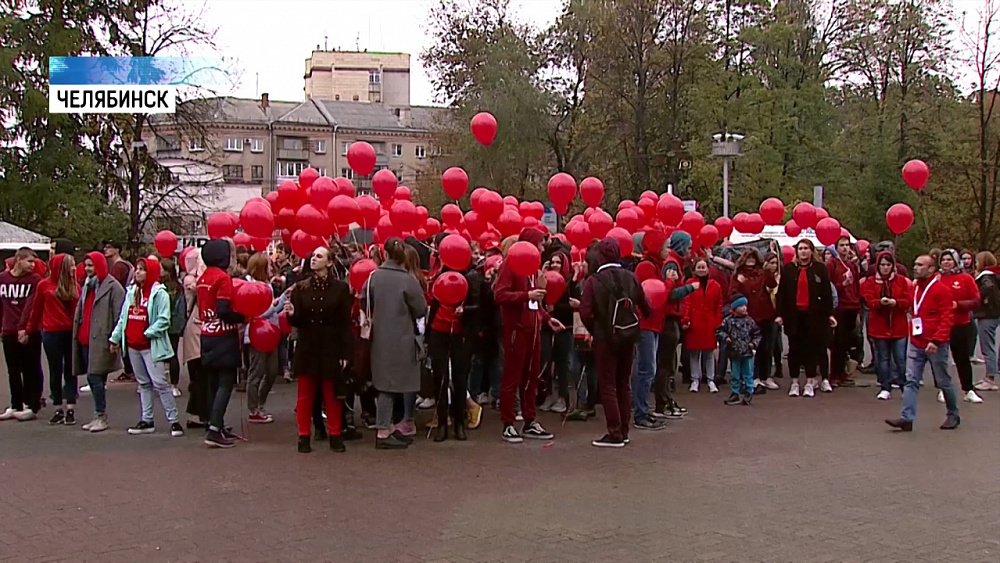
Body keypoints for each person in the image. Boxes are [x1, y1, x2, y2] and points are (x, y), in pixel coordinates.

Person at [493, 228, 564, 443]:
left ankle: (530, 420)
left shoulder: (533, 268)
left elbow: (534, 303)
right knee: (512, 377)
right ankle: (508, 422)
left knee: (532, 377)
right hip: (516, 331)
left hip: (533, 330)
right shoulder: (511, 264)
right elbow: (500, 294)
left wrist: (545, 318)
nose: (544, 249)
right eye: (541, 244)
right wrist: (526, 295)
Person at [579, 238, 650, 448]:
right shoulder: (631, 277)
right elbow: (646, 307)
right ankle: (624, 430)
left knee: (608, 384)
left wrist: (596, 330)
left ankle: (614, 432)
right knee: (623, 383)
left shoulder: (594, 280)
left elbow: (585, 312)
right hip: (628, 336)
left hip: (605, 338)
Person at [285, 246, 354, 453]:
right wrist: (291, 314)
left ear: (330, 262)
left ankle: (335, 434)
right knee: (305, 394)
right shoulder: (301, 289)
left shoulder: (340, 289)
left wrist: (345, 353)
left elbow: (345, 324)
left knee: (331, 394)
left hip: (331, 346)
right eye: (313, 255)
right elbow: (297, 321)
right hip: (308, 346)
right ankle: (303, 436)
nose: (314, 259)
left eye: (319, 256)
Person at [362, 238, 427, 450]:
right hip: (402, 337)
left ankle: (387, 427)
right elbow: (420, 308)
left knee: (384, 382)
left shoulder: (372, 277)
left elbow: (364, 301)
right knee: (391, 385)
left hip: (378, 337)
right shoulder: (408, 280)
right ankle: (383, 430)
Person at [109, 258, 183, 437]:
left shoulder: (160, 293)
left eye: (142, 269)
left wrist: (147, 333)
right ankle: (147, 419)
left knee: (160, 383)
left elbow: (164, 319)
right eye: (137, 269)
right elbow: (123, 318)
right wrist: (115, 338)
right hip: (133, 345)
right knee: (143, 383)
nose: (138, 272)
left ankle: (174, 421)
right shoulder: (131, 292)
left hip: (151, 345)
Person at [886, 255, 960, 431]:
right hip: (917, 341)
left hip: (935, 343)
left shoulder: (941, 290)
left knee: (943, 381)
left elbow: (947, 318)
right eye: (915, 264)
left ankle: (953, 414)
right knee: (911, 380)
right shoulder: (915, 288)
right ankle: (907, 418)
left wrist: (937, 339)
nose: (916, 268)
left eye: (920, 265)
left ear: (931, 269)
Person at [426, 259, 483, 442]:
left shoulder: (470, 281)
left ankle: (459, 422)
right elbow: (432, 309)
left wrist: (464, 309)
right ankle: (443, 422)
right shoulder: (439, 281)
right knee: (440, 379)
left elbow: (480, 306)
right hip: (438, 332)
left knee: (460, 379)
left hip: (460, 335)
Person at [197, 239, 245, 448]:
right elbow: (224, 310)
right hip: (224, 336)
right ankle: (215, 429)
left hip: (206, 333)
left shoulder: (203, 278)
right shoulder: (223, 278)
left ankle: (215, 423)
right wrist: (243, 317)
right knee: (226, 383)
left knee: (213, 383)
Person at [72, 252, 126, 432]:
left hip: (101, 339)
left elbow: (119, 315)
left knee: (94, 376)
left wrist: (115, 338)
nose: (87, 269)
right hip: (85, 337)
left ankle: (101, 416)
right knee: (94, 377)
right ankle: (98, 415)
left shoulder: (114, 287)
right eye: (86, 265)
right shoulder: (87, 285)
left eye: (91, 265)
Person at [775, 239, 836, 398]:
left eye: (806, 249)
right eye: (800, 249)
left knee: (811, 349)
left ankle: (810, 382)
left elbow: (827, 293)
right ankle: (795, 383)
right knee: (794, 349)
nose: (803, 252)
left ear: (811, 251)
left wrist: (829, 314)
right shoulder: (789, 269)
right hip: (793, 316)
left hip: (814, 316)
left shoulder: (820, 269)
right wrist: (780, 315)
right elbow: (781, 294)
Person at [27, 253, 80, 425]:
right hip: (51, 332)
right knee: (55, 370)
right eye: (71, 265)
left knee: (71, 370)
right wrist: (29, 329)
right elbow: (36, 309)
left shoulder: (75, 285)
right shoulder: (44, 285)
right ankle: (58, 406)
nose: (74, 268)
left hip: (70, 332)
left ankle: (70, 407)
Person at [860, 252, 912, 400]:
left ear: (893, 266)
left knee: (900, 359)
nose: (885, 268)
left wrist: (896, 303)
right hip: (879, 326)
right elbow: (868, 300)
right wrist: (879, 302)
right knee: (882, 359)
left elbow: (908, 299)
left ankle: (903, 386)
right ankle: (885, 386)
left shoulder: (901, 281)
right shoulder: (870, 281)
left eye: (888, 265)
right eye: (882, 265)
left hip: (899, 326)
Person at [0, 248, 43, 422]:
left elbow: (31, 306)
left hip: (28, 330)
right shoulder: (3, 279)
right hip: (8, 329)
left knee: (31, 368)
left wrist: (24, 328)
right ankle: (15, 404)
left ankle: (31, 404)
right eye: (29, 261)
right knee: (13, 369)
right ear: (18, 260)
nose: (33, 265)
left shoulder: (35, 280)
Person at [937, 249, 984, 404]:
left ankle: (968, 389)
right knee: (941, 359)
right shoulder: (936, 278)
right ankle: (943, 388)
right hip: (940, 324)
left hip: (960, 324)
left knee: (962, 358)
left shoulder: (965, 279)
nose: (946, 262)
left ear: (956, 261)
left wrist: (958, 305)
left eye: (949, 260)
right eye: (943, 260)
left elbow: (976, 300)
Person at [730, 248, 779, 390]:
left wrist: (768, 271)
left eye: (753, 257)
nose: (751, 260)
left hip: (766, 314)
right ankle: (752, 376)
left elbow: (772, 285)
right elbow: (732, 293)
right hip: (748, 316)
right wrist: (740, 283)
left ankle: (765, 376)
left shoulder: (762, 272)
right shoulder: (738, 275)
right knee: (751, 348)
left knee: (767, 347)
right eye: (748, 257)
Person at [244, 253, 284, 424]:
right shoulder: (250, 285)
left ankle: (260, 402)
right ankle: (253, 409)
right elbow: (257, 313)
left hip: (272, 332)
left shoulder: (267, 284)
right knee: (257, 371)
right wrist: (277, 304)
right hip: (257, 334)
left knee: (272, 370)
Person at [538, 249, 576, 415]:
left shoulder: (569, 282)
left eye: (558, 262)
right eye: (552, 262)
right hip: (546, 327)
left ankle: (562, 397)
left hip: (564, 328)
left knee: (561, 364)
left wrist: (556, 307)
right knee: (546, 361)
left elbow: (572, 305)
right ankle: (548, 395)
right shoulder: (544, 280)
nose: (555, 265)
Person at [681, 258, 722, 393]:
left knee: (709, 353)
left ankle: (710, 380)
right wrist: (686, 319)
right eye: (699, 267)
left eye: (703, 267)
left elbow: (719, 305)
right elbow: (686, 302)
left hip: (709, 321)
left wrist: (717, 322)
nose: (701, 269)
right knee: (694, 353)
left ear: (708, 269)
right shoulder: (689, 283)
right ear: (694, 269)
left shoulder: (715, 285)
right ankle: (695, 380)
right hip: (695, 321)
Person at [826, 237, 862, 389]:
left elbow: (856, 286)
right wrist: (842, 285)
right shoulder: (831, 264)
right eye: (842, 246)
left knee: (848, 342)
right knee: (838, 343)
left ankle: (843, 373)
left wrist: (858, 306)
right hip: (840, 306)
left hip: (852, 306)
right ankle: (834, 374)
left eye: (847, 245)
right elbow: (829, 287)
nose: (845, 248)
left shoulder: (851, 265)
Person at [716, 294, 761, 405]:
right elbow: (719, 331)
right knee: (735, 374)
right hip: (734, 351)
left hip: (747, 352)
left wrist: (753, 344)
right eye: (741, 306)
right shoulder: (728, 321)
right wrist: (726, 338)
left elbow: (757, 334)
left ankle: (749, 391)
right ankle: (735, 392)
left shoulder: (749, 321)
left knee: (748, 373)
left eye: (745, 305)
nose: (744, 308)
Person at [181, 249, 209, 428]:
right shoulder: (192, 281)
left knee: (200, 376)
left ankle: (197, 413)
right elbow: (189, 305)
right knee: (200, 376)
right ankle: (199, 414)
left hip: (197, 328)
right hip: (196, 328)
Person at [973, 251, 999, 391]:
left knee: (987, 347)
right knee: (990, 346)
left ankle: (990, 378)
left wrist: (982, 300)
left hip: (987, 315)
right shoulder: (995, 274)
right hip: (993, 314)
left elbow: (988, 289)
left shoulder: (986, 277)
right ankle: (990, 375)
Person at [160, 258, 186, 398]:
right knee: (169, 355)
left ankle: (173, 384)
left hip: (170, 325)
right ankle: (170, 384)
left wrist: (178, 325)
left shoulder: (174, 288)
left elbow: (180, 308)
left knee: (170, 355)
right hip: (167, 325)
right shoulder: (174, 287)